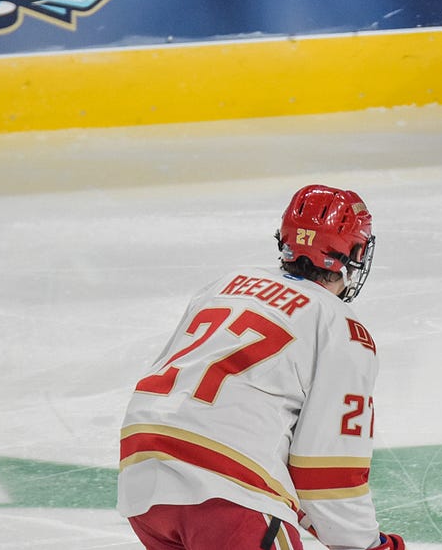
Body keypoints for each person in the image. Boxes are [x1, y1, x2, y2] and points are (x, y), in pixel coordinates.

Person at [117, 184, 408, 550]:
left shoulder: (224, 285)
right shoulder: (342, 328)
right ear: (354, 253)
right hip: (227, 489)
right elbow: (327, 475)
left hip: (143, 476)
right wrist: (368, 545)